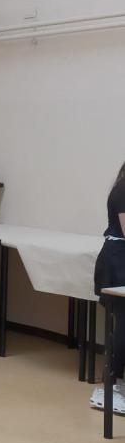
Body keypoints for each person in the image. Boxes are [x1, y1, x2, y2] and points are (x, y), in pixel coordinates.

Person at [92, 159, 125, 415]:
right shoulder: (123, 190)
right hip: (117, 262)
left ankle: (117, 384)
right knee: (123, 324)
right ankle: (107, 388)